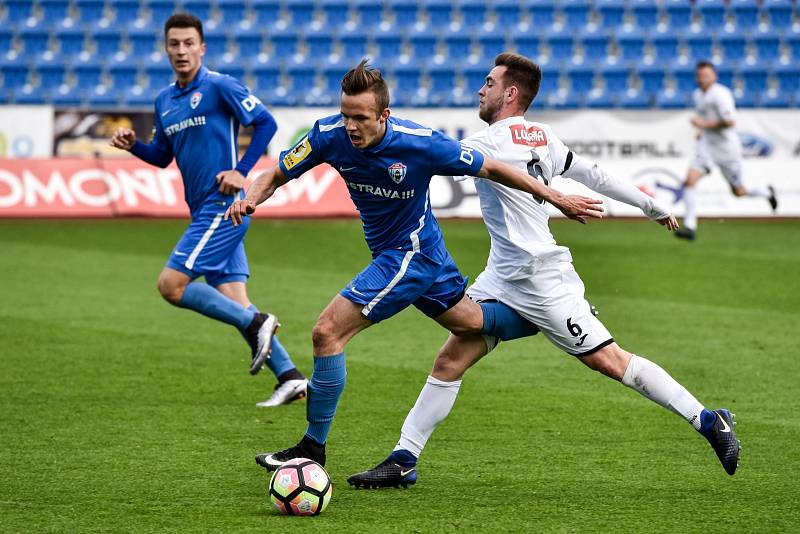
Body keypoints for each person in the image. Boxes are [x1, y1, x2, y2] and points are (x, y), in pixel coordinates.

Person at [347, 53, 741, 490]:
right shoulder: (544, 136)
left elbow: (422, 150)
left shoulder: (487, 143)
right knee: (451, 357)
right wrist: (649, 204)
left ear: (510, 93)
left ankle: (709, 420)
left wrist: (374, 135)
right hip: (503, 273)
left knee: (607, 360)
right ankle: (404, 458)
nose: (481, 89)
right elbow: (596, 175)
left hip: (540, 278)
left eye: (489, 83)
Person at [225, 59, 604, 470]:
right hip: (424, 252)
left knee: (326, 333)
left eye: (361, 118)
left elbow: (493, 166)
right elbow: (275, 174)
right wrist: (249, 198)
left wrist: (555, 196)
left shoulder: (420, 144)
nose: (351, 126)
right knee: (471, 322)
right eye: (345, 115)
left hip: (408, 255)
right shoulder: (328, 136)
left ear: (383, 116)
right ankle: (552, 315)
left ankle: (312, 448)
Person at [110, 13, 307, 407]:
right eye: (174, 44)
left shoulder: (220, 86)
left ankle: (258, 323)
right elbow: (162, 156)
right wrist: (134, 145)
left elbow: (265, 124)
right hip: (201, 207)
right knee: (233, 298)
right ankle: (290, 376)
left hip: (224, 207)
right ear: (166, 49)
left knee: (171, 286)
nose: (181, 51)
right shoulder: (165, 100)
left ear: (202, 47)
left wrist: (241, 171)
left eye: (188, 43)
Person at [676, 60, 777, 241]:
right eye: (699, 76)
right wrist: (701, 131)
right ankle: (690, 227)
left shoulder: (721, 94)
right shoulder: (698, 95)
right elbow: (706, 118)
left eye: (706, 76)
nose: (702, 79)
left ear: (714, 76)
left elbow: (730, 122)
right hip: (707, 146)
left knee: (739, 192)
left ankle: (766, 192)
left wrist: (703, 124)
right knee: (690, 181)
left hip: (727, 149)